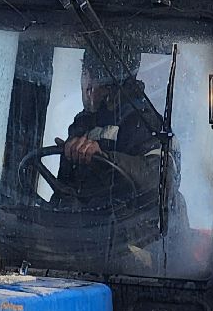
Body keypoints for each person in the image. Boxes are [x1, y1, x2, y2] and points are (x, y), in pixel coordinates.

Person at [57, 50, 165, 203]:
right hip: (85, 216)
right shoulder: (82, 124)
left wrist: (104, 158)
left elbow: (159, 178)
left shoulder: (146, 123)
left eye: (98, 78)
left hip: (134, 217)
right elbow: (65, 191)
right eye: (85, 73)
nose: (87, 86)